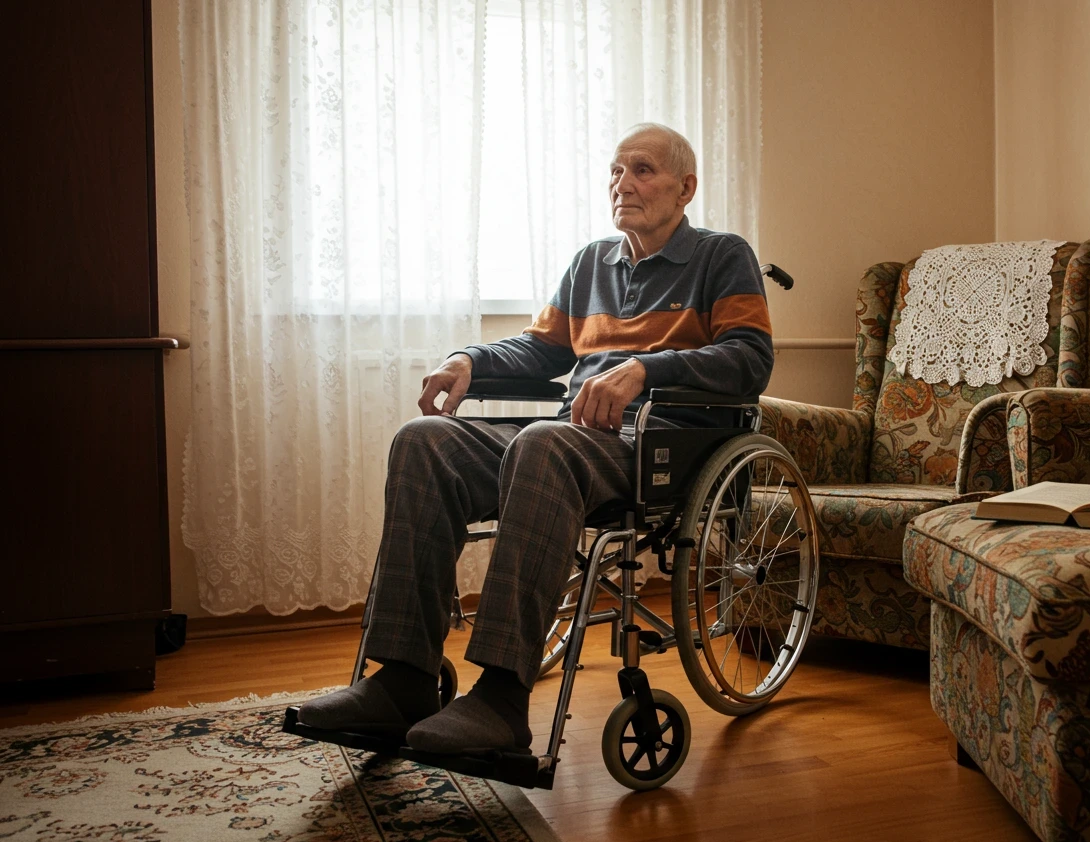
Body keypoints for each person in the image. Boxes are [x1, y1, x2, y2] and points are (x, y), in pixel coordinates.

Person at [298, 122, 774, 754]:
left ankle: (501, 697)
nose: (622, 183)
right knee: (425, 441)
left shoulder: (722, 256)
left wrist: (644, 370)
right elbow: (542, 348)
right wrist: (470, 360)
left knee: (542, 442)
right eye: (615, 170)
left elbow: (749, 357)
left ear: (685, 188)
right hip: (573, 435)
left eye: (642, 169)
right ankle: (403, 679)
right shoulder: (590, 264)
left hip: (658, 445)